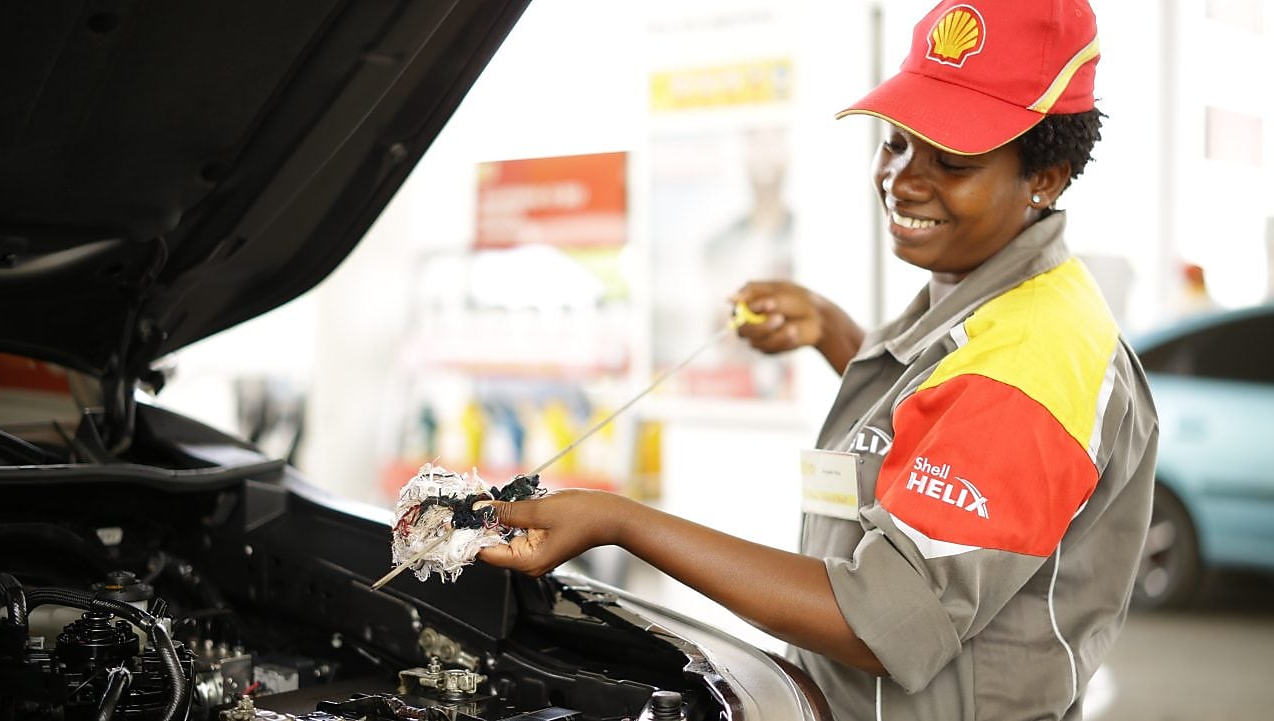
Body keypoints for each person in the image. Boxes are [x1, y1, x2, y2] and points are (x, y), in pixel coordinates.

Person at [479, 0, 1158, 718]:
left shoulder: (1033, 357)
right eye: (897, 141)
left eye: (952, 161)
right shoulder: (989, 297)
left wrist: (623, 522)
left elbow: (879, 617)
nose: (903, 179)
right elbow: (940, 428)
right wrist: (835, 332)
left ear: (1047, 176)